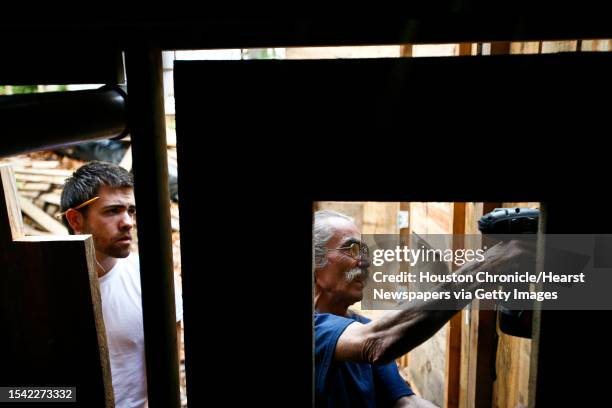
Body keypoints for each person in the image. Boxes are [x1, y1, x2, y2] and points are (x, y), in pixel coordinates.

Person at [313, 210, 532, 407]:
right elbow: (377, 342)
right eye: (350, 249)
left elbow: (408, 404)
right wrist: (486, 268)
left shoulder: (362, 326)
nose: (365, 261)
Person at [60, 161, 183, 408]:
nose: (128, 222)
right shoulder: (46, 287)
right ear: (75, 219)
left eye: (131, 211)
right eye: (113, 210)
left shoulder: (152, 278)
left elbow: (166, 375)